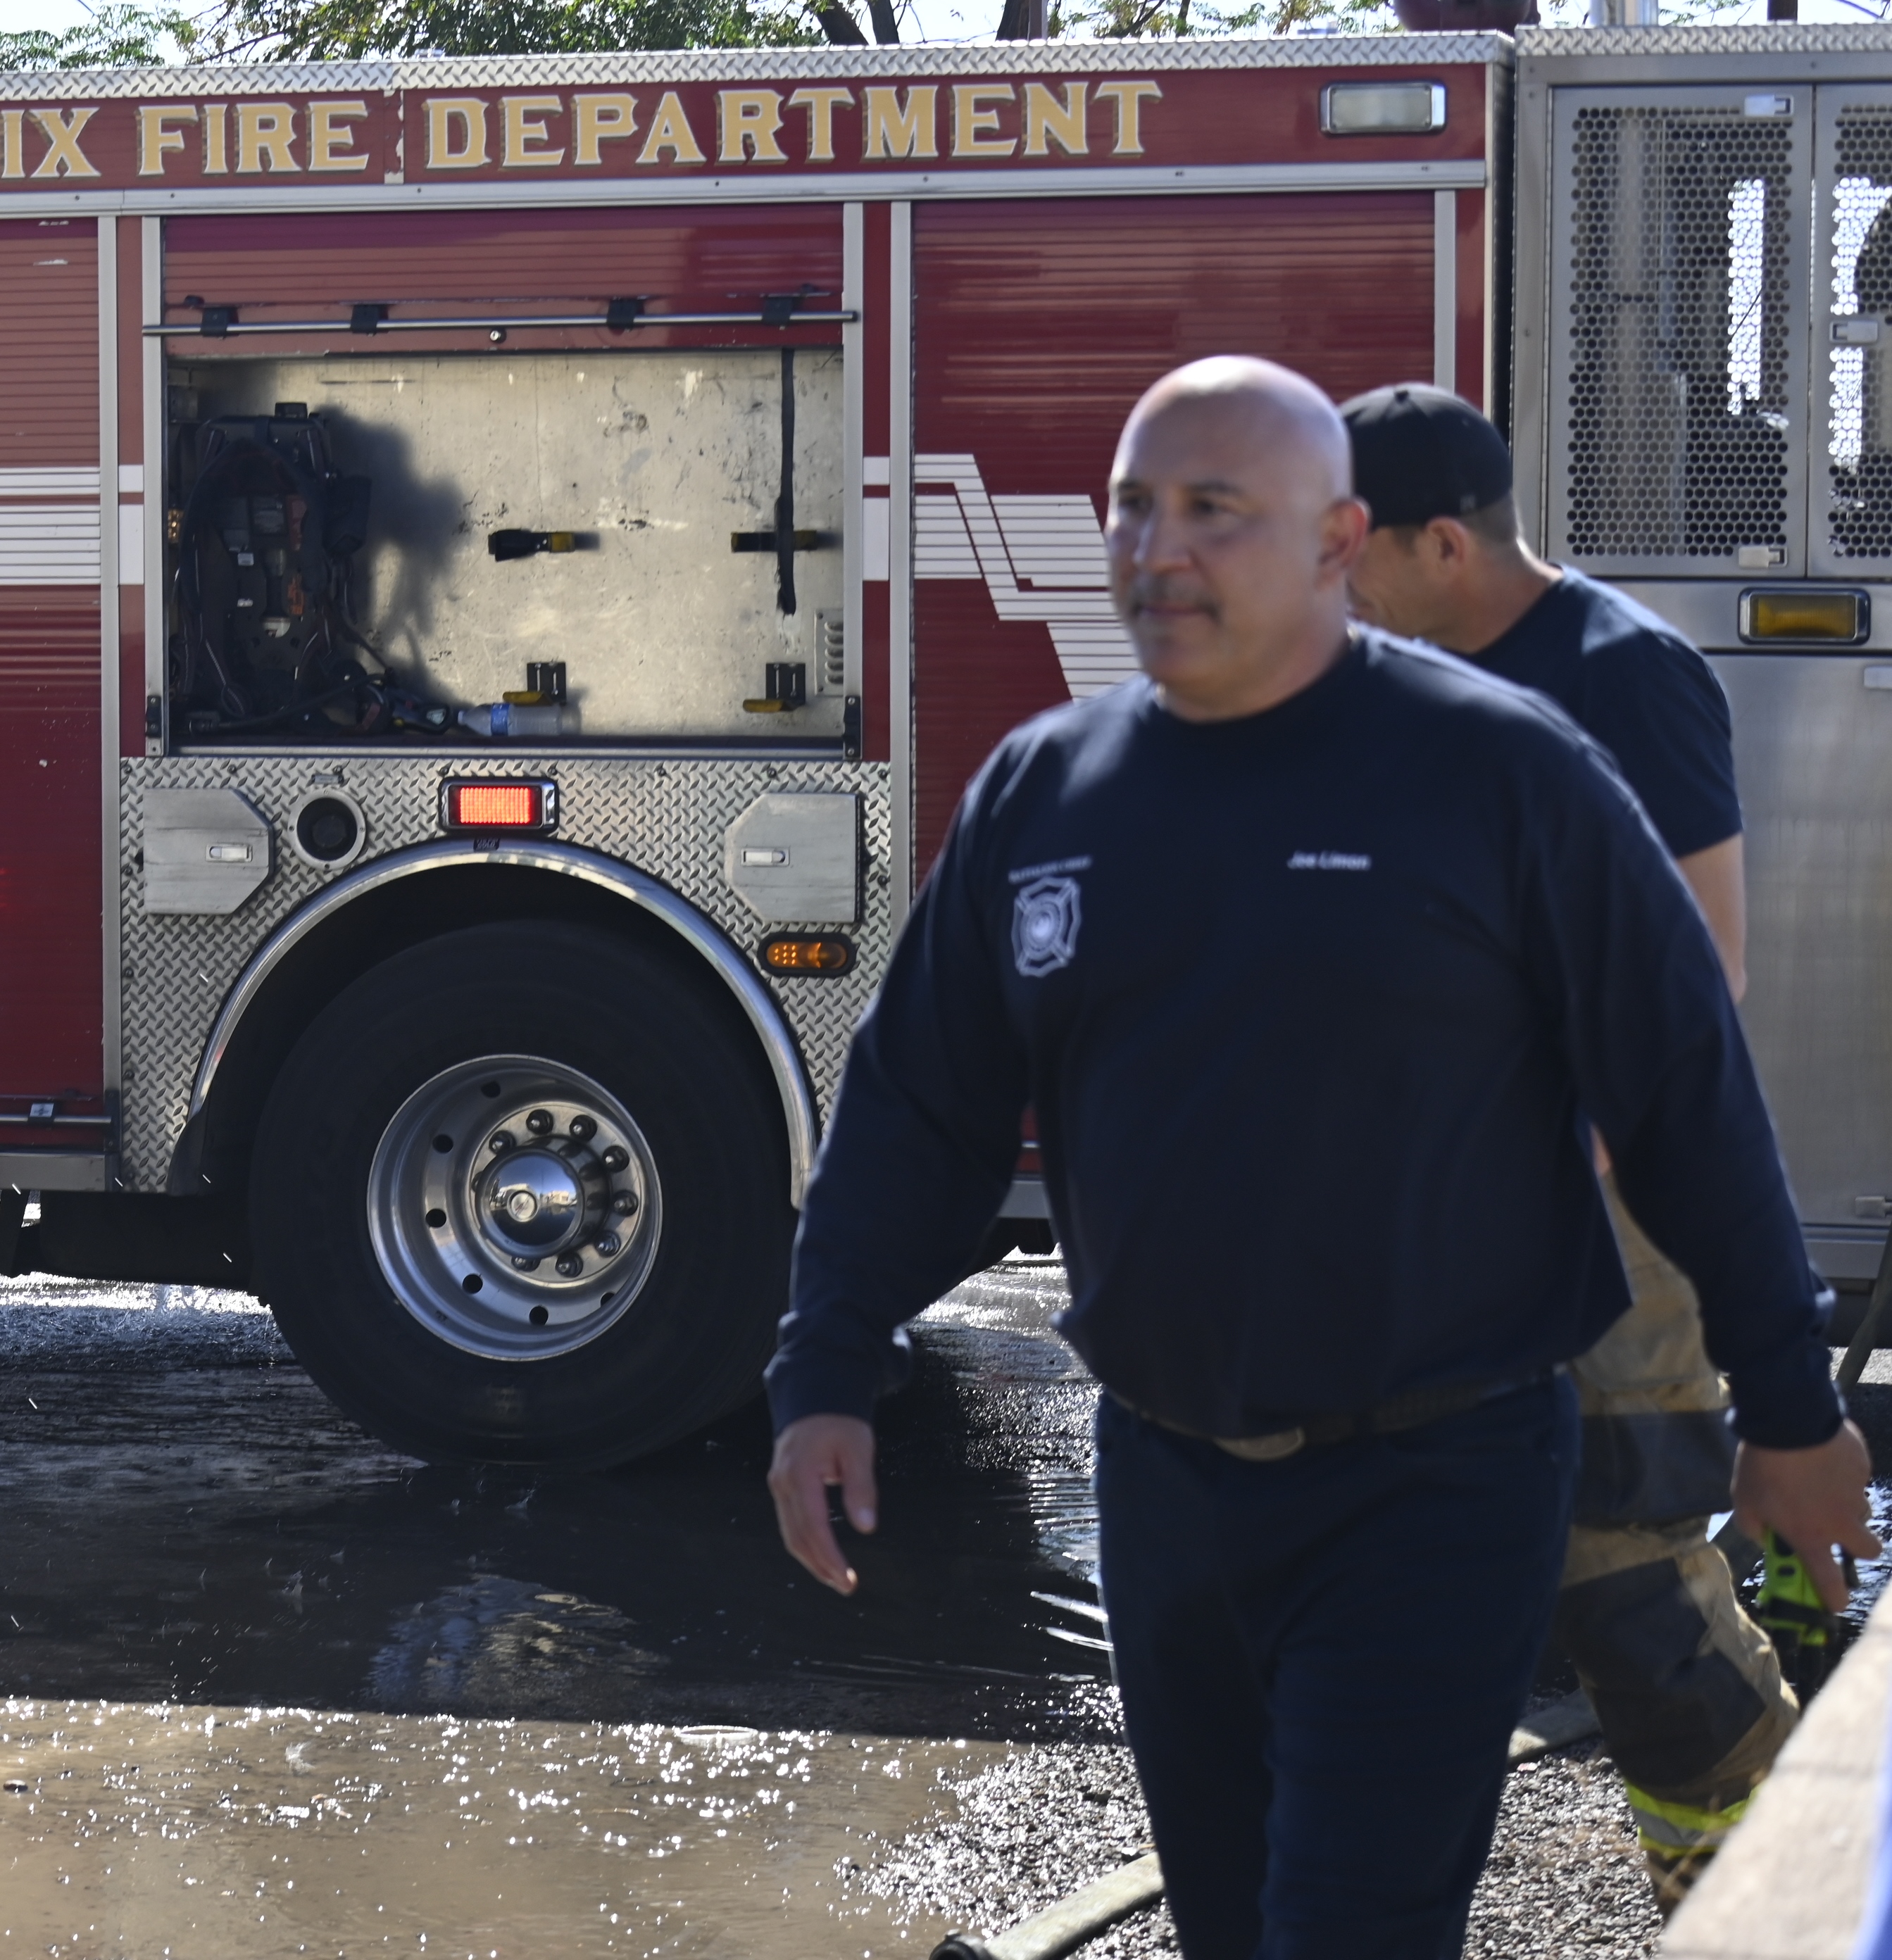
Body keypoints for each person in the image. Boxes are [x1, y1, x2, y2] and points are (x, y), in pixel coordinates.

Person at [763, 355, 1877, 1960]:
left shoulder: (1504, 773)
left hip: (1436, 1481)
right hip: (1166, 1482)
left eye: (1215, 510)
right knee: (1233, 1929)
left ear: (1340, 541)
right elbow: (916, 1104)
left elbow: (1685, 1093)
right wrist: (824, 1365)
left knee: (1349, 1927)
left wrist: (1787, 1407)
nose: (1160, 550)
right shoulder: (1046, 793)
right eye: (1133, 508)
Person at [1341, 382, 1796, 1913]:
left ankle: (1752, 1905)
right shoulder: (1389, 678)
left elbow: (1703, 967)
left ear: (1444, 545)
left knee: (1626, 1578)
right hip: (1422, 1208)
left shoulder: (1624, 675)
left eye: (1354, 548)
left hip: (1601, 1216)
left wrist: (1541, 1161)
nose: (1331, 579)